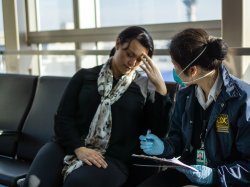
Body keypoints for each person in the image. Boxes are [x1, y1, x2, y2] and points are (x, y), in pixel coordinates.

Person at [22, 26, 173, 187]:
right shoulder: (84, 76)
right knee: (33, 183)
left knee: (78, 183)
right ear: (118, 43)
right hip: (67, 145)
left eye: (139, 60)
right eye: (129, 54)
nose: (132, 62)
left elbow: (160, 130)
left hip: (111, 158)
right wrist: (78, 148)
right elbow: (63, 118)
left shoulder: (144, 88)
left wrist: (161, 90)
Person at [138, 28, 250, 187]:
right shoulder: (185, 96)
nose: (174, 72)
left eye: (175, 66)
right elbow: (177, 140)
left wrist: (214, 176)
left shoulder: (243, 100)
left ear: (192, 70)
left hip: (224, 179)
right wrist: (163, 147)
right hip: (189, 171)